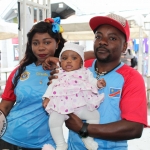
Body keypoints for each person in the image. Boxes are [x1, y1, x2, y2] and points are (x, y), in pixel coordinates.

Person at [49, 13, 147, 150]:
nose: (102, 41)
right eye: (98, 37)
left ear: (124, 47)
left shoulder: (132, 78)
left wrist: (84, 128)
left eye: (112, 38)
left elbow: (134, 128)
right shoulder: (79, 68)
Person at [0, 17, 67, 149]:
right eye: (35, 43)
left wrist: (59, 62)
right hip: (8, 138)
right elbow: (5, 107)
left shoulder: (67, 72)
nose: (41, 48)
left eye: (47, 42)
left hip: (44, 144)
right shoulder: (19, 71)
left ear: (57, 43)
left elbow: (93, 56)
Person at [42, 42, 106, 150]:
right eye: (64, 58)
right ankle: (61, 144)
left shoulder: (85, 72)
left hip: (80, 106)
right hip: (61, 107)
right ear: (60, 61)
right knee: (53, 121)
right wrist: (47, 97)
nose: (69, 61)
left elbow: (92, 81)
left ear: (81, 62)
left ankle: (88, 138)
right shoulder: (59, 73)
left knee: (94, 115)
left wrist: (98, 84)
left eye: (74, 58)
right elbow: (52, 86)